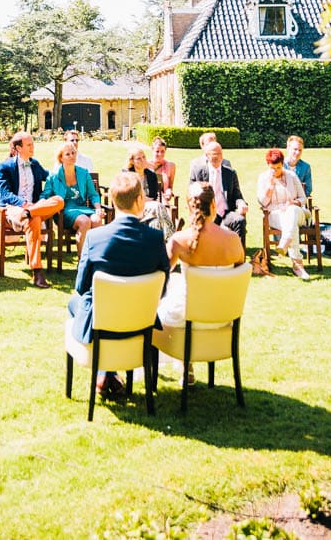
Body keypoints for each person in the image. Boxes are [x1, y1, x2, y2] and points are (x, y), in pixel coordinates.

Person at [67, 170, 171, 398]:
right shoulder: (154, 239)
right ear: (140, 200)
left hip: (103, 322)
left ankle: (105, 369)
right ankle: (107, 371)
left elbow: (82, 287)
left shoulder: (95, 238)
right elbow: (162, 286)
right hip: (141, 320)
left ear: (113, 201)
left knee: (74, 303)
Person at [158, 182, 245, 383]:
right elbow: (240, 273)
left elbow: (161, 274)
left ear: (189, 207)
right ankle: (186, 366)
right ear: (214, 205)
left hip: (188, 317)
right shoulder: (232, 239)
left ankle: (183, 365)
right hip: (224, 317)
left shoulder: (180, 240)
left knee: (156, 310)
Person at [0, 131, 64, 289]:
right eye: (29, 145)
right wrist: (25, 204)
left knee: (59, 201)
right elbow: (5, 194)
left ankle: (30, 213)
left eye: (33, 144)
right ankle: (37, 271)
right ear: (18, 148)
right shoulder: (4, 167)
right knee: (35, 219)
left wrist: (66, 170)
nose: (33, 147)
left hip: (34, 208)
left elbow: (50, 177)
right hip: (13, 208)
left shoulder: (35, 164)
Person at [43, 139, 103, 259]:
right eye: (68, 154)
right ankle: (83, 261)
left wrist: (98, 208)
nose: (71, 156)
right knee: (84, 221)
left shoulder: (83, 173)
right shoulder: (53, 177)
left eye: (73, 153)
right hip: (64, 211)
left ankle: (97, 260)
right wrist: (42, 204)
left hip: (82, 208)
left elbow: (93, 194)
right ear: (61, 158)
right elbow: (45, 195)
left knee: (96, 220)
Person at [256, 148, 310, 279]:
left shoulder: (291, 176)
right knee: (291, 227)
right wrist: (269, 188)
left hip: (297, 212)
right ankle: (298, 265)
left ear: (282, 164)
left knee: (291, 212)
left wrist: (292, 203)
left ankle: (285, 241)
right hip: (275, 215)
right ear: (268, 165)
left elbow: (303, 198)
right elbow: (263, 203)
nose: (275, 171)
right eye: (272, 168)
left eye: (279, 167)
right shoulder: (263, 178)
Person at [190, 139, 247, 246]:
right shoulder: (198, 172)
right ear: (206, 156)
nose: (217, 157)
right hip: (206, 213)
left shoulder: (230, 173)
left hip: (225, 212)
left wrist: (241, 203)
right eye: (213, 154)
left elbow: (237, 195)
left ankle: (239, 258)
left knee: (239, 220)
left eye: (220, 154)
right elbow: (191, 193)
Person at [124, 144, 174, 239]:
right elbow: (127, 196)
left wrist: (148, 200)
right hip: (133, 207)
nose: (143, 160)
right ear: (132, 161)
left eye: (144, 157)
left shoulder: (151, 175)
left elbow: (154, 195)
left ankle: (159, 243)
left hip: (150, 208)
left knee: (156, 222)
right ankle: (171, 239)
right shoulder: (127, 175)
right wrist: (144, 199)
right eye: (139, 158)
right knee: (158, 206)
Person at [284, 135, 312, 200]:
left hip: (298, 203)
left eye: (300, 150)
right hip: (281, 201)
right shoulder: (279, 166)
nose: (297, 152)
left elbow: (308, 189)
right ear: (288, 148)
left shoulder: (306, 167)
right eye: (295, 149)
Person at [150, 137, 176, 201]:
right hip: (148, 199)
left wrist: (169, 191)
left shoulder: (171, 166)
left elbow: (170, 186)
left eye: (162, 151)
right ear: (152, 150)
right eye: (157, 151)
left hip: (162, 199)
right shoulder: (145, 165)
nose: (160, 154)